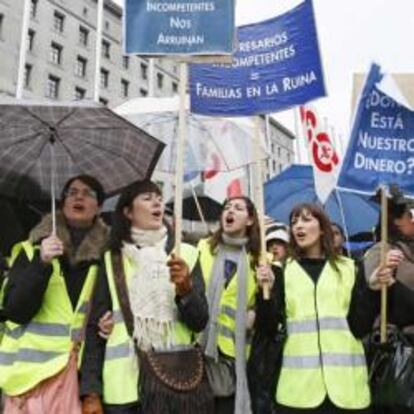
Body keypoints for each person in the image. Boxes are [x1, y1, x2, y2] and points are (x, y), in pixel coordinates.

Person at [80, 180, 212, 414]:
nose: (157, 203)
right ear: (128, 212)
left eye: (159, 198)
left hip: (175, 385)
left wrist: (186, 291)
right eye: (147, 198)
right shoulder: (112, 260)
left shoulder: (187, 255)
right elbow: (93, 329)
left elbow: (199, 322)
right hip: (124, 391)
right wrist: (91, 392)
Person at [255, 203, 397, 414]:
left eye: (306, 220)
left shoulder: (349, 268)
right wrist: (264, 293)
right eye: (294, 222)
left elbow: (360, 327)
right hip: (298, 393)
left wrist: (373, 289)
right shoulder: (281, 271)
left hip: (347, 391)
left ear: (322, 228)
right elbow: (267, 328)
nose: (298, 226)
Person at [0, 175, 110, 413]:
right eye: (71, 192)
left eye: (88, 193)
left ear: (99, 206)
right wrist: (41, 264)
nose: (78, 196)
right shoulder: (32, 249)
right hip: (27, 383)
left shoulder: (109, 257)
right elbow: (15, 311)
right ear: (62, 202)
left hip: (78, 378)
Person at [197, 196, 262, 414]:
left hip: (234, 357)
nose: (230, 211)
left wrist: (256, 313)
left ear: (250, 219)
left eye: (238, 208)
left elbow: (268, 309)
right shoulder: (203, 248)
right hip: (199, 350)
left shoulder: (261, 261)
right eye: (226, 208)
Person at [364, 186, 414, 414]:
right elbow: (372, 292)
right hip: (395, 350)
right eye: (408, 216)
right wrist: (385, 275)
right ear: (394, 221)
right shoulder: (380, 251)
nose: (412, 220)